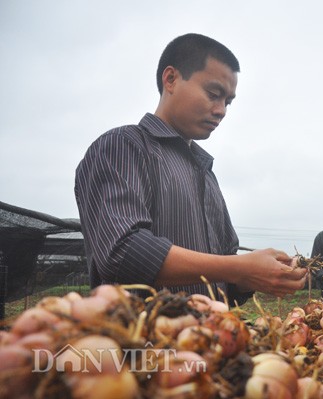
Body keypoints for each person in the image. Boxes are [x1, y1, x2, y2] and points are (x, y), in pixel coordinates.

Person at [74, 33, 306, 304]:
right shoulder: (123, 146)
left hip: (207, 341)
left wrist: (254, 277)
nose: (221, 111)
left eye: (228, 102)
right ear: (170, 79)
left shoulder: (206, 173)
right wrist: (240, 267)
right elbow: (123, 252)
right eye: (213, 94)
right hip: (140, 342)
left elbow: (223, 283)